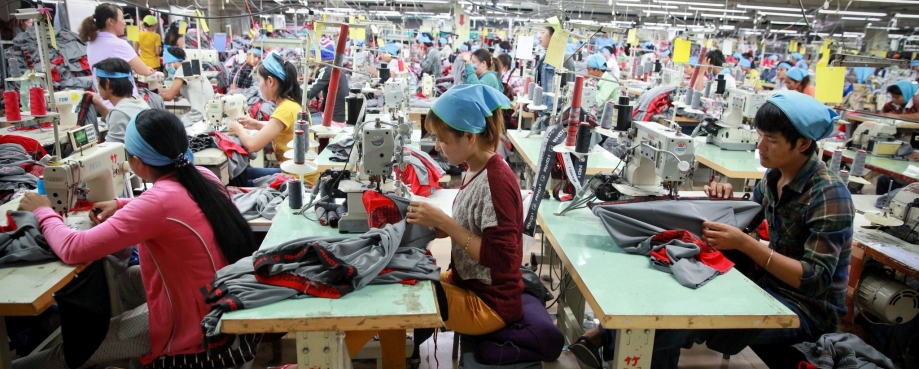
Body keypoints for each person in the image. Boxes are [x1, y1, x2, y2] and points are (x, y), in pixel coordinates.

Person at [570, 91, 854, 369]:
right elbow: (747, 220)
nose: (760, 146)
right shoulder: (774, 177)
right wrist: (725, 204)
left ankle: (603, 336)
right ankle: (611, 338)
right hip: (765, 286)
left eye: (771, 140)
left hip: (805, 311)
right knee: (672, 294)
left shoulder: (828, 194)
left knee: (676, 325)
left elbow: (815, 280)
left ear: (803, 144)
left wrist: (745, 243)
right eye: (759, 135)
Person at [13, 109, 257, 369]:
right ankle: (142, 357)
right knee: (130, 279)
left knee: (75, 350)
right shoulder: (204, 178)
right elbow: (173, 206)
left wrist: (43, 211)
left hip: (199, 323)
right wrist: (121, 204)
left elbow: (73, 248)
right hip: (222, 297)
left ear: (138, 163)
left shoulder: (157, 204)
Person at [404, 83, 524, 353]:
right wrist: (437, 225)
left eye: (443, 139)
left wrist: (446, 222)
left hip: (490, 303)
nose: (437, 147)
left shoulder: (496, 181)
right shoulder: (476, 168)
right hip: (467, 282)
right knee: (397, 280)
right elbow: (475, 226)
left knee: (397, 298)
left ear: (470, 137)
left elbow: (502, 259)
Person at [229, 52, 319, 185]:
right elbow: (284, 128)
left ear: (270, 81)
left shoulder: (284, 109)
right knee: (243, 174)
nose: (258, 85)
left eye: (259, 80)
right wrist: (256, 124)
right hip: (300, 174)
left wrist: (237, 129)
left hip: (298, 181)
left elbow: (253, 145)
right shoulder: (293, 103)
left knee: (235, 183)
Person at [80, 3, 155, 108]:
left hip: (104, 104)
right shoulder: (119, 44)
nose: (124, 23)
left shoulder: (91, 43)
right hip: (124, 105)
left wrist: (130, 70)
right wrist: (148, 70)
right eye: (122, 18)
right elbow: (144, 71)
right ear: (111, 21)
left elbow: (109, 70)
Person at [88, 58, 150, 143]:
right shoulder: (138, 101)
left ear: (107, 83)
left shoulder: (119, 113)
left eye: (98, 82)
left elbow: (112, 150)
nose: (97, 87)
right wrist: (100, 106)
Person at [156, 46, 215, 125]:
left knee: (166, 124)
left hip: (198, 116)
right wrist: (155, 90)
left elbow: (169, 96)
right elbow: (175, 91)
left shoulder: (181, 69)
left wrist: (150, 96)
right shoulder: (189, 67)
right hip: (208, 113)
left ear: (171, 62)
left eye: (166, 64)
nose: (166, 67)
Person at [305, 46, 349, 127]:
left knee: (299, 123)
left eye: (312, 57)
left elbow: (310, 93)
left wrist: (294, 89)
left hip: (332, 119)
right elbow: (322, 83)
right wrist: (310, 81)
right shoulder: (335, 66)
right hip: (339, 117)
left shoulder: (327, 69)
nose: (311, 60)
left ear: (319, 56)